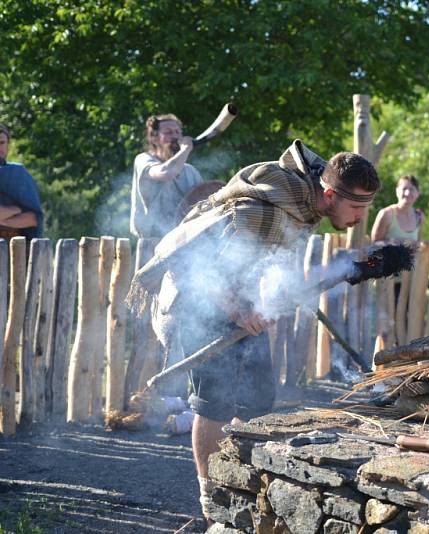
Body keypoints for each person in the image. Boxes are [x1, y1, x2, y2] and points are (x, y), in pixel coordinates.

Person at [126, 139, 380, 524]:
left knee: (258, 401)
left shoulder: (303, 205)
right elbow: (201, 265)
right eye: (357, 206)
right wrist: (240, 310)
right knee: (214, 403)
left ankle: (240, 485)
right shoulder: (260, 208)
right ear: (329, 193)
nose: (361, 216)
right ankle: (211, 501)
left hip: (239, 298)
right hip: (200, 298)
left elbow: (265, 260)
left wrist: (269, 299)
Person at [130, 114, 204, 238]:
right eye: (168, 132)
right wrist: (185, 149)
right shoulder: (144, 160)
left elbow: (205, 202)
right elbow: (166, 173)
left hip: (184, 242)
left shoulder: (190, 171)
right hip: (152, 242)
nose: (175, 136)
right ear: (154, 138)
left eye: (177, 132)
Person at [0, 123, 44, 239]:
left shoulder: (18, 173)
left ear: (7, 144)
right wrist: (16, 210)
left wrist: (5, 221)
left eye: (2, 143)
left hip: (16, 248)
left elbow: (33, 219)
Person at [370, 175, 424, 243]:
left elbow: (418, 246)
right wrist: (395, 243)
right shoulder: (386, 214)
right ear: (397, 191)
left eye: (412, 189)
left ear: (418, 193)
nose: (407, 193)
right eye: (404, 189)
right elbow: (374, 246)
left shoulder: (419, 217)